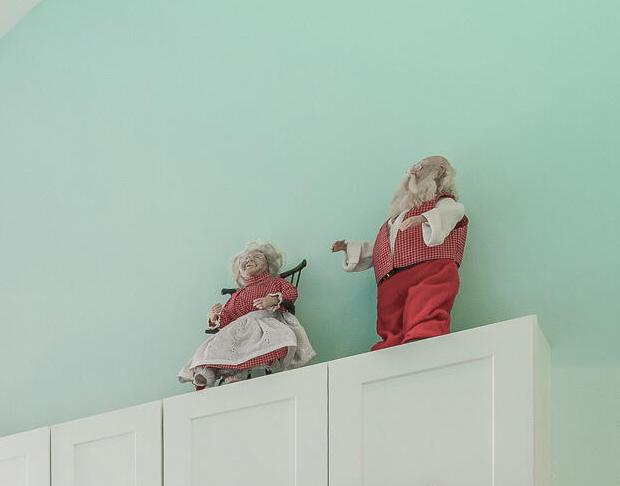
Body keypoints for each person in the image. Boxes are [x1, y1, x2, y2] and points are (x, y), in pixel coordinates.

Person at [333, 155, 466, 348]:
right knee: (390, 316)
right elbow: (384, 247)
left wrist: (425, 219)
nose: (412, 172)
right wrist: (349, 247)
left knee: (425, 303)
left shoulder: (442, 203)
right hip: (392, 278)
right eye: (411, 168)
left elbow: (455, 212)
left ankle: (424, 333)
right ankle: (392, 342)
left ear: (440, 171)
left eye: (419, 167)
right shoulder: (396, 218)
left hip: (428, 270)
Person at [179, 240, 315, 388]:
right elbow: (227, 317)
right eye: (244, 259)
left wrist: (273, 300)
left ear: (268, 264)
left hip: (266, 322)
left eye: (257, 256)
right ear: (240, 272)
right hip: (238, 328)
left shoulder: (275, 282)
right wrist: (214, 317)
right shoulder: (238, 294)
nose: (249, 259)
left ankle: (257, 365)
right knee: (215, 345)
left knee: (281, 338)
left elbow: (291, 292)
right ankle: (209, 373)